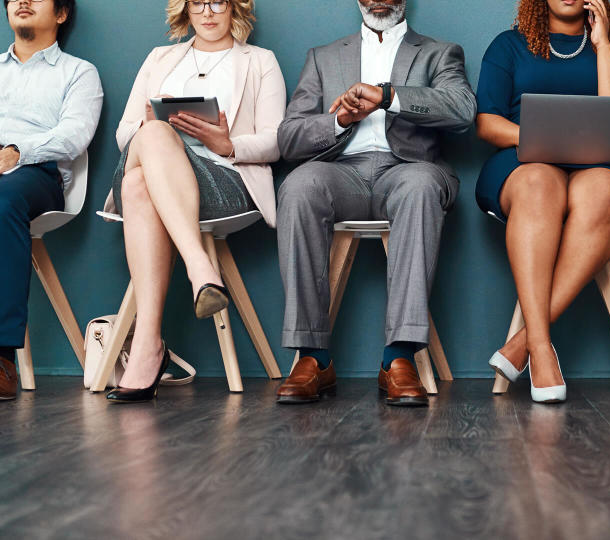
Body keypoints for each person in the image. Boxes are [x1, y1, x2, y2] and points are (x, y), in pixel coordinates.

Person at [275, 0, 475, 407]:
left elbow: (463, 110)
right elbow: (288, 137)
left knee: (420, 187)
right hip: (340, 170)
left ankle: (398, 358)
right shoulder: (323, 57)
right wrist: (339, 121)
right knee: (298, 187)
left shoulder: (439, 52)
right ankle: (311, 357)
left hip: (408, 170)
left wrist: (389, 96)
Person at [102, 0, 285, 402]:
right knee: (149, 137)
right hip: (153, 163)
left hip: (222, 178)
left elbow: (276, 139)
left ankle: (149, 346)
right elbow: (123, 134)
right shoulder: (159, 58)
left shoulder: (260, 61)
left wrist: (227, 142)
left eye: (217, 1)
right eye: (197, 2)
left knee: (136, 188)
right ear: (184, 9)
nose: (207, 11)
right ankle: (200, 268)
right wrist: (153, 127)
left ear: (234, 7)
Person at [476, 0, 610, 404]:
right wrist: (540, 139)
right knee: (540, 182)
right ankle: (540, 349)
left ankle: (527, 343)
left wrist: (601, 43)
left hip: (605, 166)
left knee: (600, 190)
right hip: (525, 163)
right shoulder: (508, 45)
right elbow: (487, 121)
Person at [0, 0, 102, 401]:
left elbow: (74, 135)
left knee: (3, 198)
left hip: (35, 174)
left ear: (61, 14)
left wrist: (15, 152)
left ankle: (3, 355)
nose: (22, 1)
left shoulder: (78, 72)